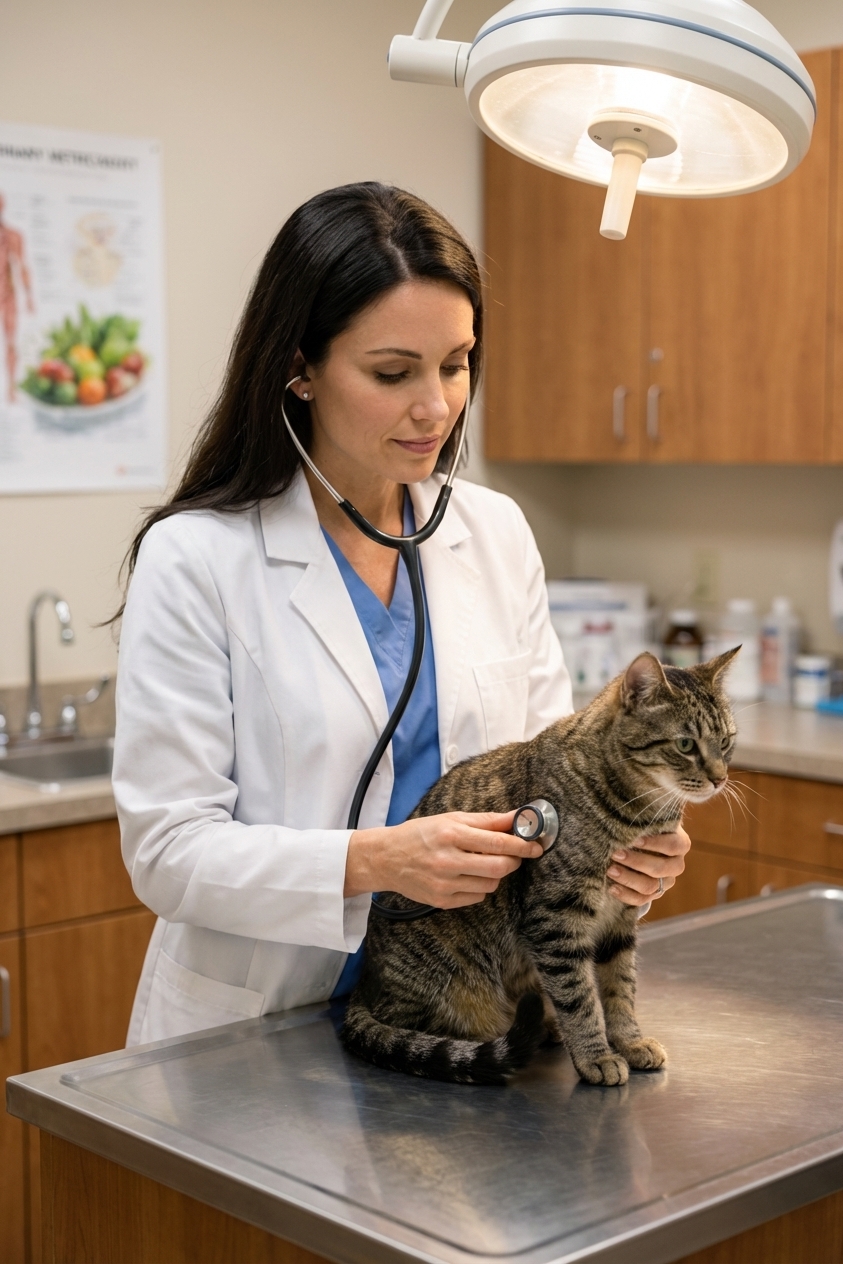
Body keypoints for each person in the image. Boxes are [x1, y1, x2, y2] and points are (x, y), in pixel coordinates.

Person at [114, 183, 690, 1045]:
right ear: (297, 368)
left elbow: (553, 776)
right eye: (392, 373)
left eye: (456, 364)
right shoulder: (198, 556)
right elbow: (168, 853)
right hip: (261, 1027)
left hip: (475, 1013)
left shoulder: (491, 531)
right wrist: (375, 861)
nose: (437, 407)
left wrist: (627, 846)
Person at [0, 192, 35, 403]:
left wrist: (29, 295)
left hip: (8, 295)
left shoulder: (13, 236)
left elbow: (22, 266)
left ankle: (12, 388)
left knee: (11, 340)